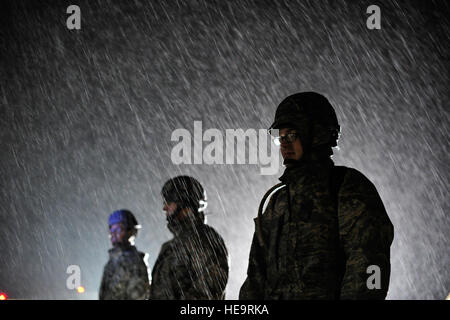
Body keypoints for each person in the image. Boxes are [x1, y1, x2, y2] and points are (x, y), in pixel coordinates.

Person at [239, 92, 394, 300]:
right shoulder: (278, 202)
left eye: (292, 135)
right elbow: (255, 278)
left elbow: (369, 266)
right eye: (281, 138)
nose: (284, 144)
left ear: (317, 134)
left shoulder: (347, 188)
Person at [149, 176, 229, 299]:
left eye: (168, 202)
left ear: (183, 202)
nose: (164, 208)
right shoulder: (171, 246)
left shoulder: (203, 239)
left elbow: (208, 291)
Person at [99, 209, 150, 300]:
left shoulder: (135, 262)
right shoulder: (111, 262)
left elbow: (139, 297)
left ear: (131, 232)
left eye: (118, 229)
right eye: (111, 229)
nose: (113, 234)